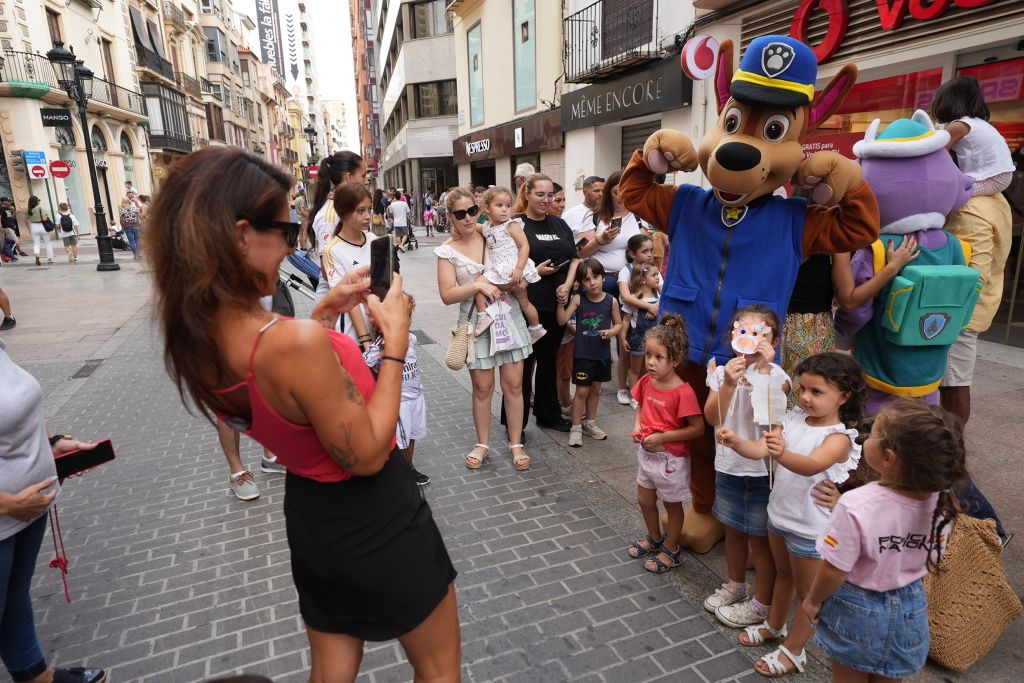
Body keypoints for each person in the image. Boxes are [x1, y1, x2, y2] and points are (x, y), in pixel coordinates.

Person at [147, 147, 460, 680]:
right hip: (376, 515)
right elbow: (365, 453)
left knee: (332, 664)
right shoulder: (291, 345)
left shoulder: (198, 337)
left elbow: (280, 389)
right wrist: (396, 342)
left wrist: (319, 314)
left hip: (313, 518)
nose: (293, 249)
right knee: (438, 671)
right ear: (243, 236)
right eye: (287, 233)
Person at [718, 353, 864, 677]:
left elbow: (811, 465)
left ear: (844, 396)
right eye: (804, 389)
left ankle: (795, 650)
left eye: (817, 392)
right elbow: (761, 449)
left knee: (808, 594)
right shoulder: (795, 417)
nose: (806, 397)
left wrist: (781, 452)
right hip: (779, 517)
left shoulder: (838, 438)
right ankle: (774, 625)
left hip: (809, 529)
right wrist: (738, 442)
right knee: (783, 577)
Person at [798, 400, 964, 681]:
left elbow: (835, 569)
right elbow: (933, 555)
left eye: (873, 433)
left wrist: (813, 600)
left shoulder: (855, 504)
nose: (865, 437)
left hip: (857, 606)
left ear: (888, 458)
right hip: (911, 606)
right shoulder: (944, 503)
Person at [1, 339, 108, 683]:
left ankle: (35, 674)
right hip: (7, 512)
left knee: (14, 596)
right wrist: (7, 503)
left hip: (31, 506)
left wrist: (51, 442)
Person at [931, 76, 1015, 426]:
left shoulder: (971, 210)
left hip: (962, 313)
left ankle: (949, 454)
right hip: (978, 304)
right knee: (955, 380)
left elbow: (973, 266)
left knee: (953, 382)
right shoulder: (996, 204)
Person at [703, 306, 791, 630]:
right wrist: (727, 383)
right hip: (727, 466)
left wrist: (765, 371)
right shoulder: (721, 371)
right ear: (733, 336)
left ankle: (761, 603)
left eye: (761, 333)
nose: (751, 339)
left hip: (761, 473)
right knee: (733, 531)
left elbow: (771, 421)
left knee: (760, 540)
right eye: (745, 331)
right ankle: (736, 584)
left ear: (774, 342)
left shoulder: (779, 378)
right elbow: (712, 417)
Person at [436, 187, 533, 471]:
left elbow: (519, 248)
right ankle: (482, 443)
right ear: (449, 216)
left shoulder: (489, 232)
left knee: (514, 385)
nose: (467, 218)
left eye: (471, 211)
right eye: (460, 213)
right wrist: (477, 285)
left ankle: (516, 443)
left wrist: (521, 278)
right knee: (482, 387)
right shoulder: (446, 251)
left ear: (479, 211)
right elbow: (447, 295)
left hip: (508, 314)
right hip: (476, 322)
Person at [626, 313, 705, 574]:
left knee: (672, 506)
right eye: (648, 355)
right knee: (644, 499)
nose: (650, 362)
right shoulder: (648, 381)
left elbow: (697, 428)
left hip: (671, 460)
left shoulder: (683, 392)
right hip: (647, 455)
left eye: (658, 357)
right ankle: (654, 537)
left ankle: (671, 548)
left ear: (675, 360)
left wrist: (663, 438)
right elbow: (638, 406)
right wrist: (638, 426)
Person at [500, 174, 579, 433]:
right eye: (540, 195)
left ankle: (548, 414)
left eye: (550, 195)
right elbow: (503, 264)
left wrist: (567, 284)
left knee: (548, 362)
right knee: (522, 366)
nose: (546, 200)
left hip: (555, 305)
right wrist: (534, 271)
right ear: (527, 195)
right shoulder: (516, 224)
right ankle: (516, 424)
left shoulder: (559, 224)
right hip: (525, 305)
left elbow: (574, 258)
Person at [578, 170, 649, 407]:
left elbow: (646, 251)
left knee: (628, 333)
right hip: (603, 281)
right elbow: (580, 253)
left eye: (625, 191)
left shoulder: (639, 216)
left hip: (631, 280)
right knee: (597, 330)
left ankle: (627, 382)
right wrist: (601, 240)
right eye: (616, 191)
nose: (621, 197)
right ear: (609, 191)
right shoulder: (596, 217)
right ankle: (595, 376)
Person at [557, 258, 622, 447]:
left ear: (603, 277)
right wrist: (561, 303)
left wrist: (611, 332)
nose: (592, 282)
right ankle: (575, 427)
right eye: (586, 279)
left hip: (602, 355)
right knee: (582, 390)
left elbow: (619, 324)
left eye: (596, 277)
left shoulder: (612, 301)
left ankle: (590, 422)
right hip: (583, 354)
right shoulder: (578, 298)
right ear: (581, 283)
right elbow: (562, 321)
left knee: (596, 389)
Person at [471, 187, 546, 343]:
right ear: (487, 208)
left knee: (478, 285)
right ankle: (536, 327)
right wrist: (459, 230)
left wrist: (519, 269)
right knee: (525, 303)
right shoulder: (487, 226)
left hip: (510, 272)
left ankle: (484, 315)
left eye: (508, 205)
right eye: (499, 205)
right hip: (509, 275)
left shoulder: (511, 225)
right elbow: (474, 227)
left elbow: (524, 246)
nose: (504, 210)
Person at [308, 151, 367, 301]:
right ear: (349, 177)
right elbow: (328, 271)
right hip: (339, 305)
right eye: (364, 175)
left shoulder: (351, 208)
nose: (367, 181)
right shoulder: (329, 216)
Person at [323, 183, 375, 346]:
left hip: (378, 331)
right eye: (360, 211)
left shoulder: (373, 239)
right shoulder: (332, 249)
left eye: (369, 209)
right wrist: (365, 340)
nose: (367, 216)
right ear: (343, 212)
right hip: (352, 338)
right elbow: (346, 296)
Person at [617, 234, 660, 400]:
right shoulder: (626, 271)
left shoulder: (652, 271)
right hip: (632, 318)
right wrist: (649, 306)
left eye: (651, 250)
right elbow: (627, 297)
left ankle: (639, 390)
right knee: (625, 355)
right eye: (645, 251)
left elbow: (662, 292)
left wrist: (656, 307)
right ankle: (622, 388)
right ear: (633, 254)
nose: (649, 254)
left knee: (644, 362)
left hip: (650, 326)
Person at [25, 196, 54, 266]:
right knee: (47, 243)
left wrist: (29, 229)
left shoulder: (27, 210)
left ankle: (37, 256)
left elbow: (25, 221)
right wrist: (46, 215)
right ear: (36, 201)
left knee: (36, 244)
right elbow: (44, 219)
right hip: (42, 226)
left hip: (34, 226)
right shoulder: (40, 208)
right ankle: (49, 259)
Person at [118, 194, 142, 259]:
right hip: (136, 226)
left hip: (127, 226)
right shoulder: (134, 208)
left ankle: (136, 255)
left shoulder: (121, 210)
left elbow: (121, 219)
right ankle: (138, 254)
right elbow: (138, 217)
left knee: (131, 241)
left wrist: (122, 227)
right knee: (137, 240)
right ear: (129, 202)